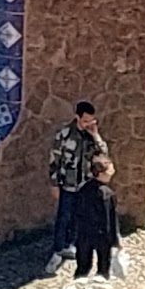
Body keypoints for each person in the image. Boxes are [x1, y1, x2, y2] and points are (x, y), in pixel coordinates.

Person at [46, 101, 105, 272]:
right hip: (67, 184)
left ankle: (69, 245)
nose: (88, 124)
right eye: (85, 120)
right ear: (77, 117)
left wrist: (96, 135)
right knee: (63, 217)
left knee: (78, 217)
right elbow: (54, 161)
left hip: (84, 185)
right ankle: (57, 251)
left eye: (91, 120)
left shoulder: (90, 136)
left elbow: (103, 156)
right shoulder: (64, 135)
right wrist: (54, 184)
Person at [72, 152, 121, 279]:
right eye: (110, 169)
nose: (113, 171)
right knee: (103, 269)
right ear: (102, 173)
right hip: (101, 237)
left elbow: (77, 213)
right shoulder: (106, 194)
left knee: (82, 267)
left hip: (84, 234)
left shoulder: (83, 189)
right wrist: (115, 240)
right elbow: (109, 220)